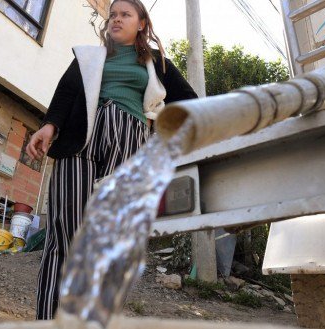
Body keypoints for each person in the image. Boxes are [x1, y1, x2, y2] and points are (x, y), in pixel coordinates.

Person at [26, 0, 198, 320]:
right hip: (82, 138)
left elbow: (189, 103)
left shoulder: (158, 64)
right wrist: (49, 125)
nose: (116, 19)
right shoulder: (89, 57)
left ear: (141, 23)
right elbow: (65, 95)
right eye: (113, 15)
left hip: (129, 145)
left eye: (125, 15)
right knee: (66, 233)